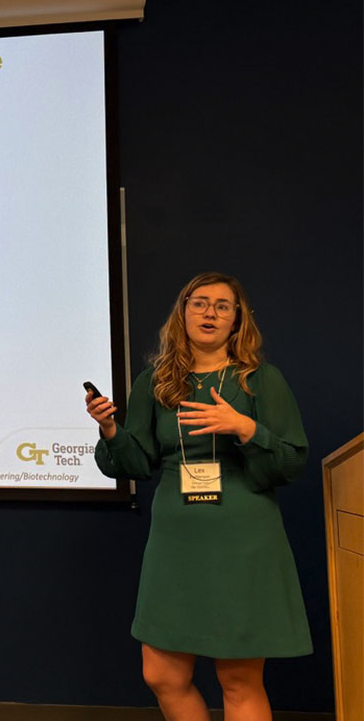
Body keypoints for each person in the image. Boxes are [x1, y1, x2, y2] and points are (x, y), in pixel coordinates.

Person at [86, 272, 311, 721]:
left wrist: (246, 428)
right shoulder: (156, 382)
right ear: (182, 313)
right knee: (162, 675)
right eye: (200, 302)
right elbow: (135, 463)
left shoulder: (261, 380)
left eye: (222, 305)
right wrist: (110, 428)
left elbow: (290, 461)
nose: (210, 312)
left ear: (237, 320)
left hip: (244, 539)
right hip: (176, 541)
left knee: (239, 680)